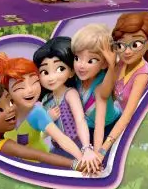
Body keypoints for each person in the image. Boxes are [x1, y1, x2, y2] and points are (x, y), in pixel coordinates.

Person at [0, 82, 88, 171]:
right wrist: (75, 164)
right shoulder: (4, 145)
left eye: (10, 102)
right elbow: (40, 155)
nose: (11, 109)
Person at [98, 12, 148, 158]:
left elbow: (127, 116)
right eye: (121, 45)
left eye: (135, 44)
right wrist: (111, 66)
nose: (127, 51)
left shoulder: (141, 76)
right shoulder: (120, 64)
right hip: (116, 121)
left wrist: (103, 149)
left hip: (135, 127)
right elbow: (104, 94)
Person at [33, 37, 101, 172]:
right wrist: (48, 119)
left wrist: (86, 148)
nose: (51, 77)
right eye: (45, 72)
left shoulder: (70, 94)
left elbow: (80, 120)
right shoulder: (46, 100)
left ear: (71, 72)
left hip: (78, 146)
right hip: (57, 148)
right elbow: (42, 134)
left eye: (59, 69)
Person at [70, 23, 122, 151]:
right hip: (87, 125)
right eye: (77, 58)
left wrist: (98, 153)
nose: (81, 65)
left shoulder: (100, 87)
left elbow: (100, 125)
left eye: (90, 61)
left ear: (104, 64)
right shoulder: (75, 79)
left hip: (108, 125)